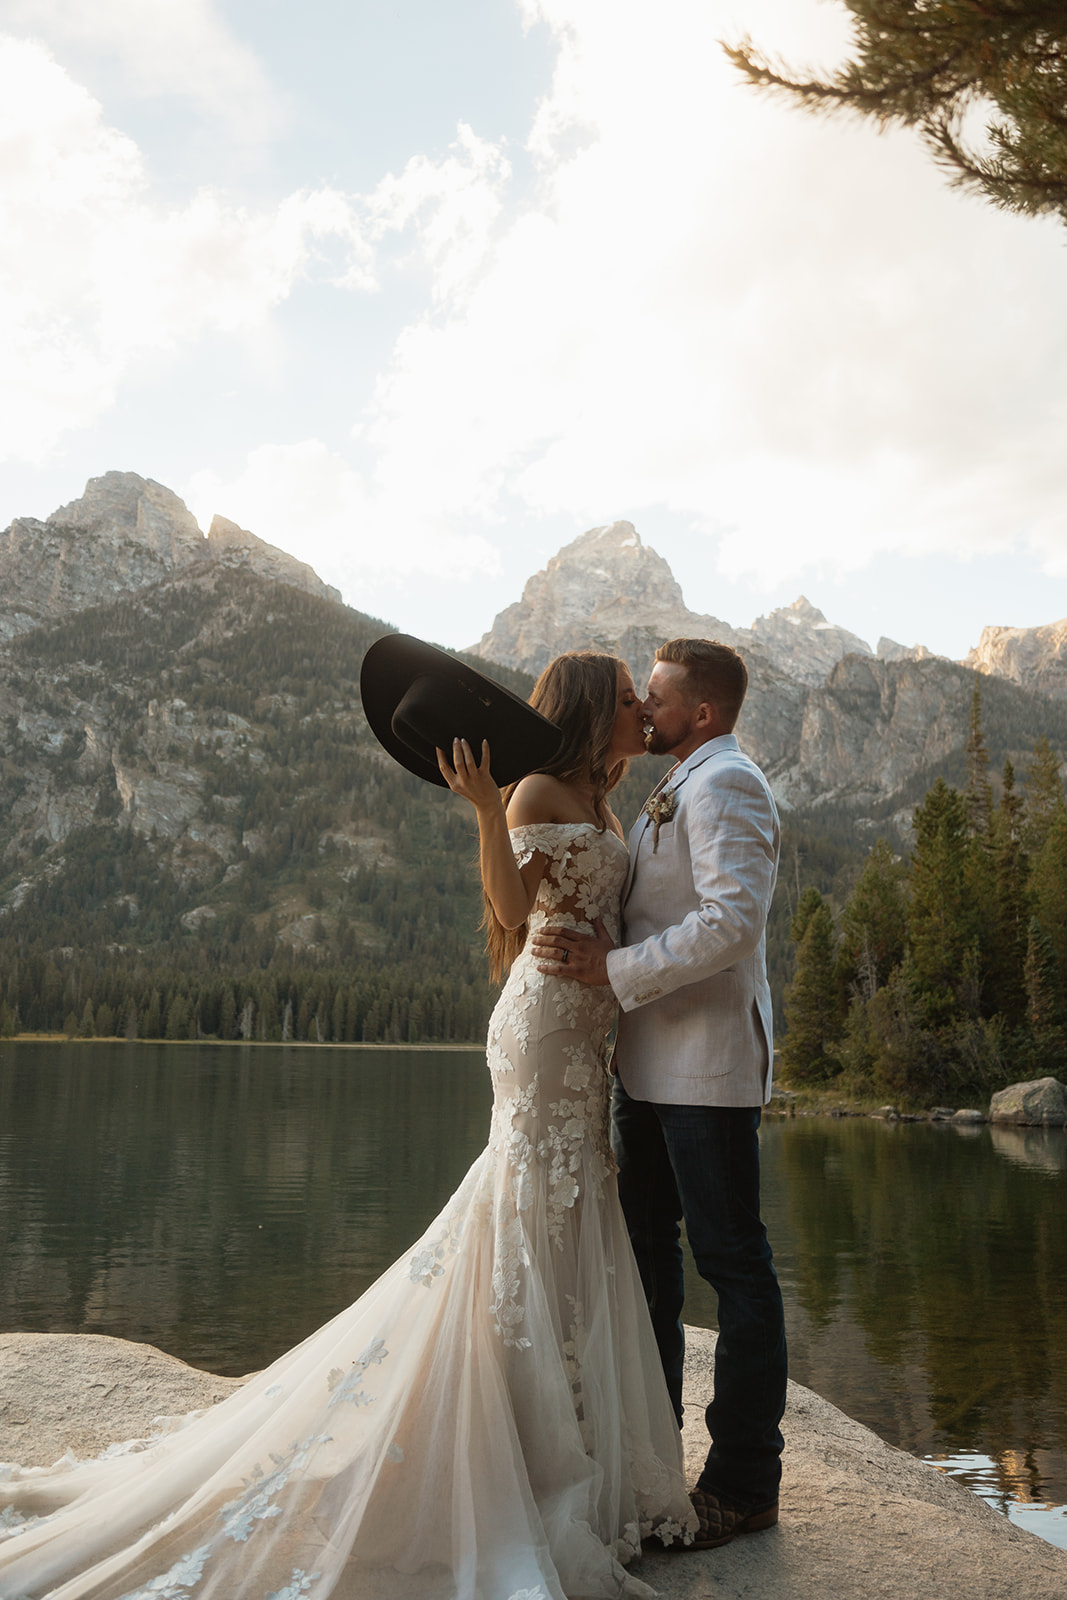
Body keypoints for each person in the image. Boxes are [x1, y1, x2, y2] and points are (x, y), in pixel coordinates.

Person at [0, 649, 694, 1600]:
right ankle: (515, 1446)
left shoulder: (604, 799)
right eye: (623, 699)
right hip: (541, 1033)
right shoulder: (533, 789)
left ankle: (554, 1434)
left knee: (568, 1209)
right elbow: (506, 908)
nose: (637, 713)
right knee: (532, 1201)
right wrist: (487, 812)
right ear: (584, 706)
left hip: (585, 1033)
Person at [531, 638, 788, 1552]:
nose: (643, 709)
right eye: (638, 697)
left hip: (705, 1072)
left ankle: (745, 1480)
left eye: (659, 697)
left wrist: (613, 972)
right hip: (646, 1065)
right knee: (647, 1260)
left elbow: (729, 922)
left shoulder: (726, 784)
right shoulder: (673, 779)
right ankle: (652, 1457)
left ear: (702, 714)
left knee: (733, 1267)